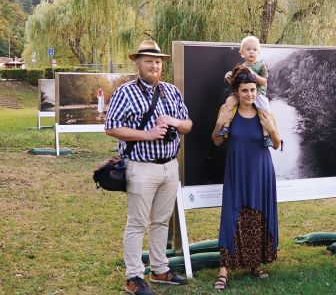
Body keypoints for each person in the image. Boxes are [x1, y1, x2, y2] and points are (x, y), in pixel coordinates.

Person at [105, 40, 192, 295]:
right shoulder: (125, 92)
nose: (154, 65)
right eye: (148, 61)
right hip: (141, 167)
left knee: (161, 221)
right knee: (137, 223)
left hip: (169, 166)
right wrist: (149, 134)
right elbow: (111, 127)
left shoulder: (171, 91)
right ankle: (133, 277)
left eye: (157, 61)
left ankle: (159, 269)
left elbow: (188, 125)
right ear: (138, 64)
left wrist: (174, 121)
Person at [211, 65, 282, 291]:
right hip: (237, 170)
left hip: (261, 171)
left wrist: (271, 129)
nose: (249, 95)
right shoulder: (229, 110)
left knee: (258, 215)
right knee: (231, 216)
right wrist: (219, 124)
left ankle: (254, 263)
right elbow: (216, 140)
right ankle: (224, 270)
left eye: (252, 90)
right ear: (236, 92)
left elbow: (277, 144)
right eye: (244, 91)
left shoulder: (264, 112)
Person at [219, 35, 273, 147]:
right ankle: (226, 126)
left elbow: (263, 82)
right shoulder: (241, 66)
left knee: (265, 111)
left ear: (258, 52)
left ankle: (266, 135)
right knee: (229, 101)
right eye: (248, 49)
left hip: (258, 93)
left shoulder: (261, 65)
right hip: (242, 94)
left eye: (254, 50)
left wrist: (252, 74)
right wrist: (229, 76)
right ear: (242, 52)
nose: (251, 52)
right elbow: (236, 82)